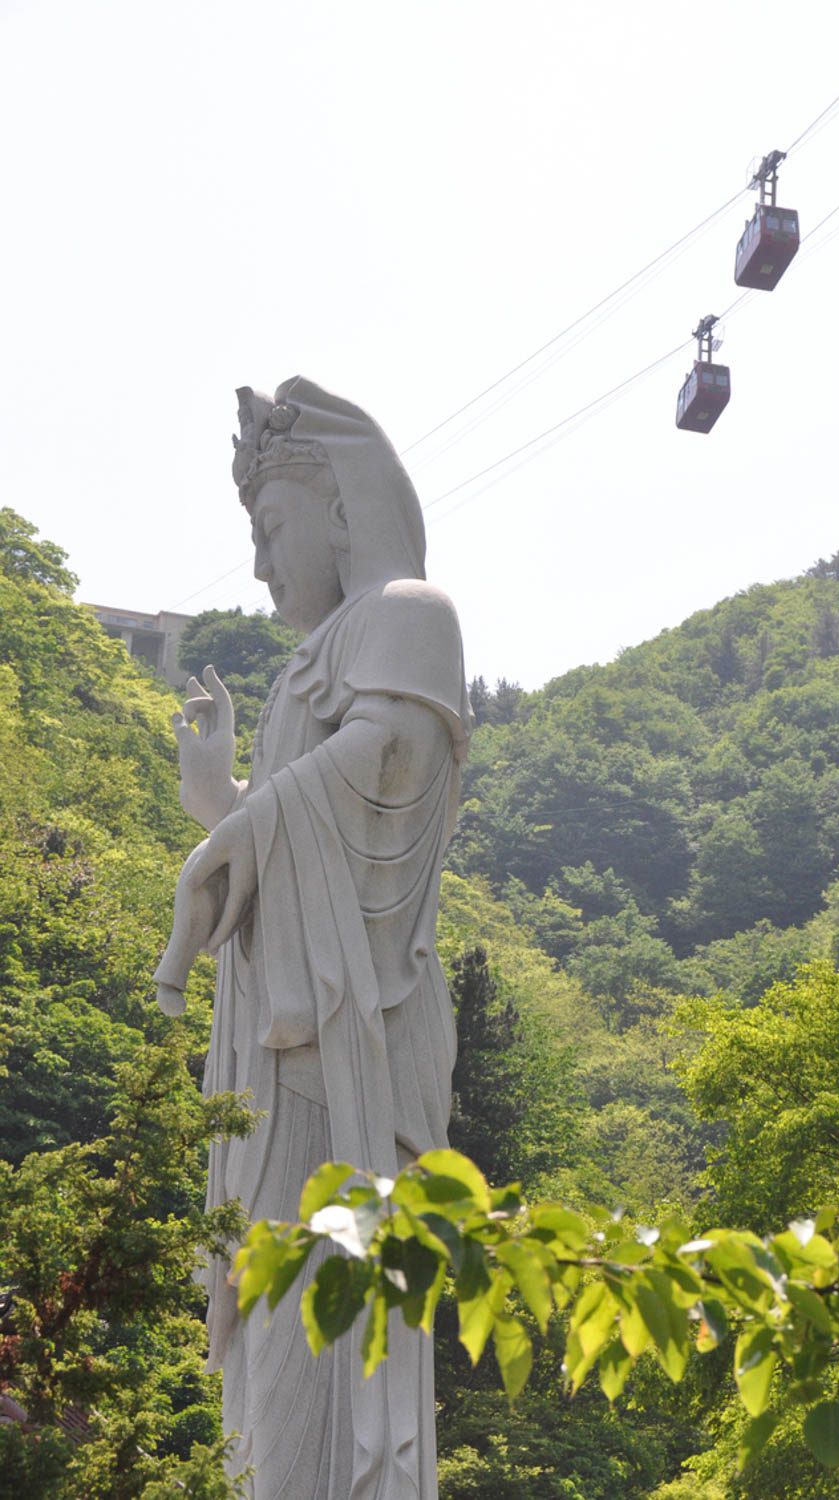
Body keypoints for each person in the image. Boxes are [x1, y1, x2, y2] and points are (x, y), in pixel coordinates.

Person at [156, 378, 471, 1499]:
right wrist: (220, 800)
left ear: (342, 510)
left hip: (349, 1051)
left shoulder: (405, 615)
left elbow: (388, 769)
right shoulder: (310, 664)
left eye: (271, 528)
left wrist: (247, 818)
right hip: (276, 1057)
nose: (258, 565)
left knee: (323, 1332)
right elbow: (289, 828)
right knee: (263, 1356)